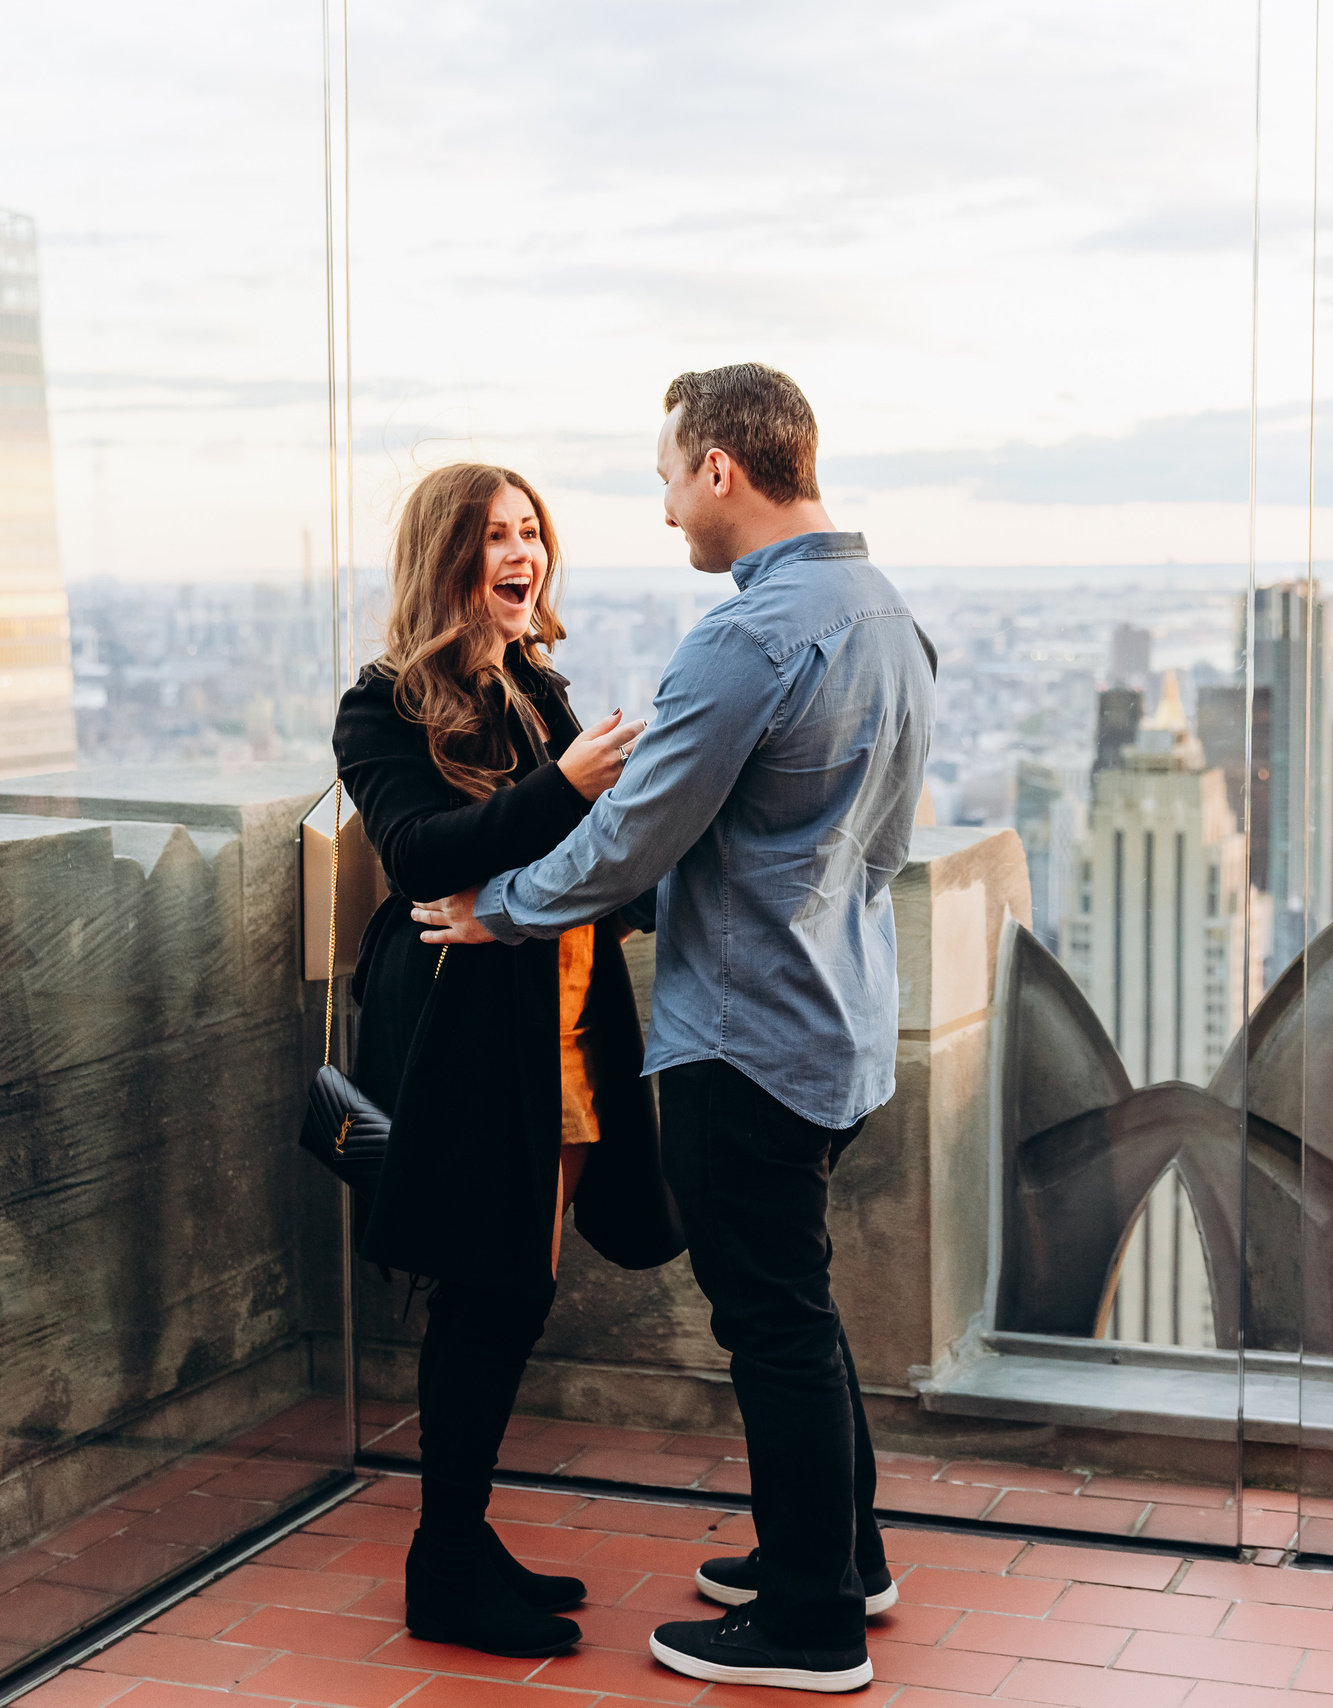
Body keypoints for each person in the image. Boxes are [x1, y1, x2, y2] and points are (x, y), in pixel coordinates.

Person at [412, 363, 935, 1692]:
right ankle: (841, 1556)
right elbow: (840, 843)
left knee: (771, 1323)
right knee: (799, 1309)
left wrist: (509, 909)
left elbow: (640, 830)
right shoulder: (888, 617)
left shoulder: (746, 640)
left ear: (720, 470)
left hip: (748, 1031)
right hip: (845, 1014)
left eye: (664, 477)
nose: (661, 513)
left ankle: (811, 1621)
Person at [333, 461, 683, 1659]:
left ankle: (461, 1532)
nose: (521, 551)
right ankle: (442, 1562)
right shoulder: (379, 706)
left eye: (531, 530)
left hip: (566, 1022)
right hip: (468, 1042)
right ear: (449, 560)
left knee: (511, 1290)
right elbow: (424, 852)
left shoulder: (537, 684)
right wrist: (567, 784)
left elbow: (588, 847)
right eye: (494, 535)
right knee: (492, 1289)